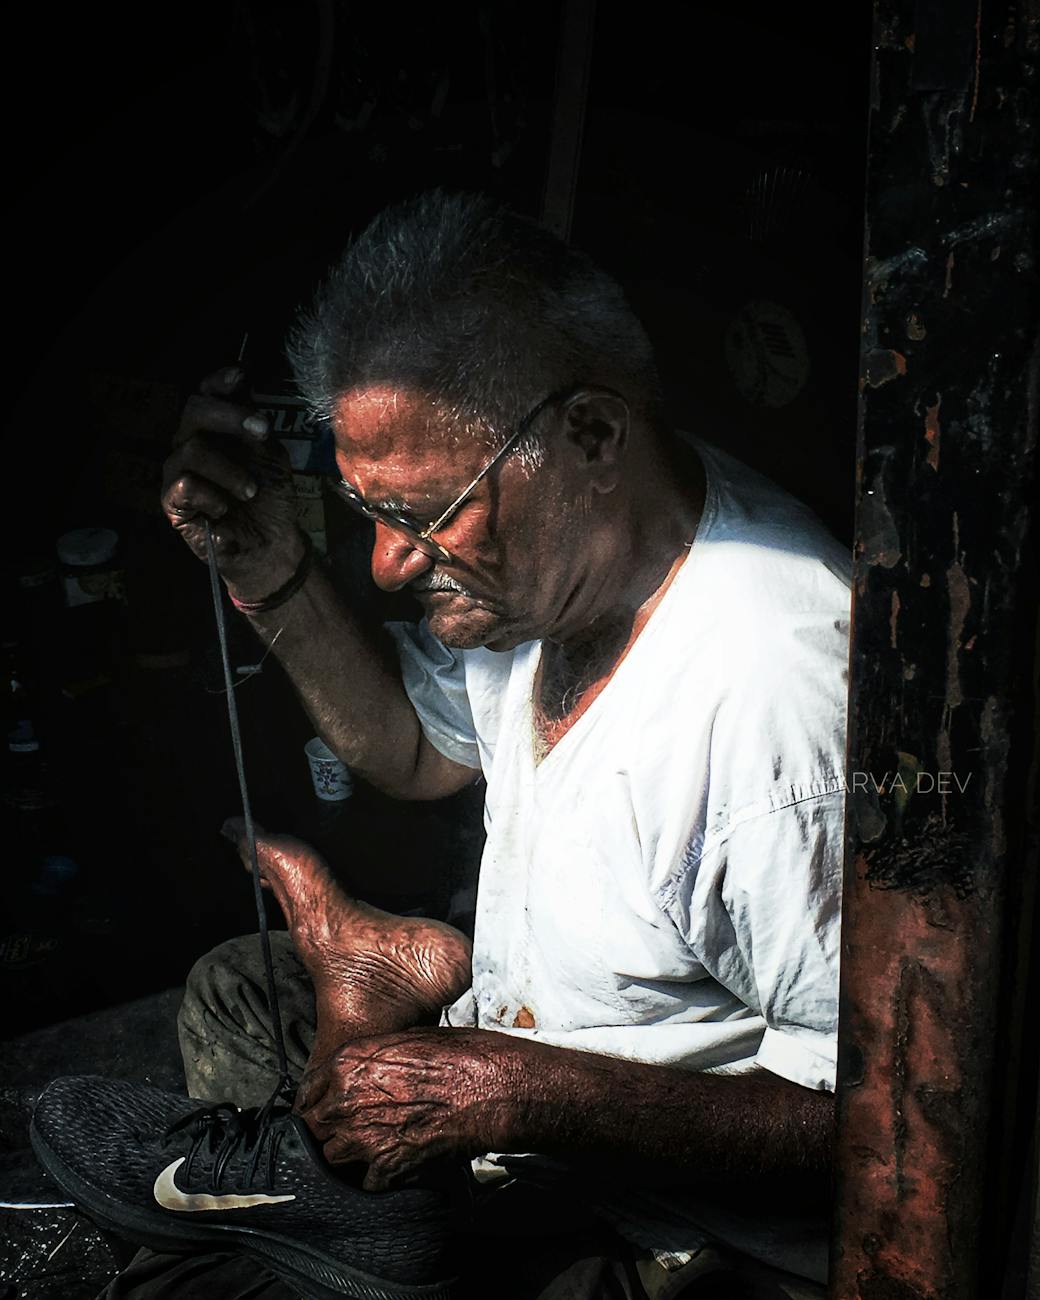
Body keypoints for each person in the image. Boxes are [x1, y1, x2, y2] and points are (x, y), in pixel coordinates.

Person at [126, 190, 851, 1297]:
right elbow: (417, 753)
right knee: (236, 989)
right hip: (528, 1077)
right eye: (367, 511)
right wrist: (266, 568)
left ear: (592, 434)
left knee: (183, 1288)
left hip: (685, 1225)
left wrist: (512, 1091)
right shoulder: (573, 543)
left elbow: (874, 1121)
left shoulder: (775, 697)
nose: (384, 566)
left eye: (422, 515)